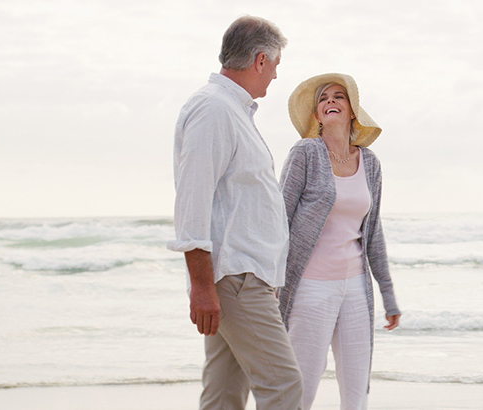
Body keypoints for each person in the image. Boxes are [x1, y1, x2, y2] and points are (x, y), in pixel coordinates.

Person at [168, 15, 304, 410]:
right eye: (276, 65)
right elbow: (192, 200)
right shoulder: (214, 109)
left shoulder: (231, 110)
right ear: (261, 60)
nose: (276, 77)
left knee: (225, 391)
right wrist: (202, 285)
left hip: (241, 276)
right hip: (235, 277)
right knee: (284, 385)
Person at [277, 73, 401, 410]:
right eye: (323, 99)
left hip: (356, 290)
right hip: (309, 287)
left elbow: (372, 232)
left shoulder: (370, 163)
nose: (330, 101)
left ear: (352, 111)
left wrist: (388, 295)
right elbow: (279, 219)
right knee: (302, 386)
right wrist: (272, 279)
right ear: (317, 115)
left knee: (357, 390)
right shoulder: (305, 153)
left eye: (338, 97)